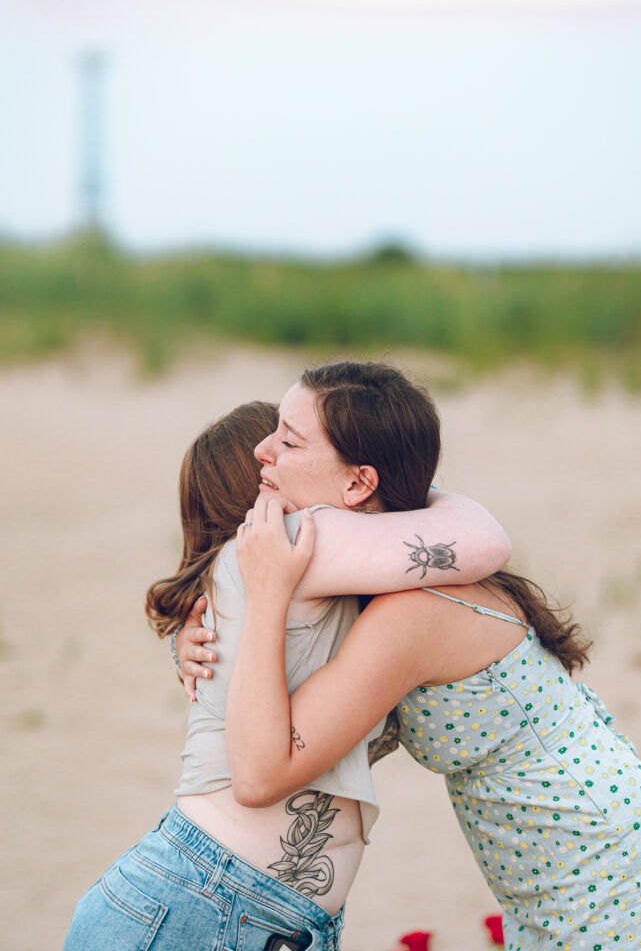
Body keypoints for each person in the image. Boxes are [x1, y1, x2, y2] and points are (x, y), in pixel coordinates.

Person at [64, 362, 512, 951]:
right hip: (209, 900)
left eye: (287, 440)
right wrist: (395, 485)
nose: (268, 451)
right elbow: (484, 539)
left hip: (218, 902)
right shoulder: (293, 541)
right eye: (271, 445)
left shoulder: (279, 571)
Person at [215, 460, 641, 946]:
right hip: (578, 850)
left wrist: (266, 592)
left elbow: (261, 775)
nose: (265, 451)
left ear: (359, 481)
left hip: (602, 857)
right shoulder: (425, 570)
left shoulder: (411, 612)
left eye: (290, 440)